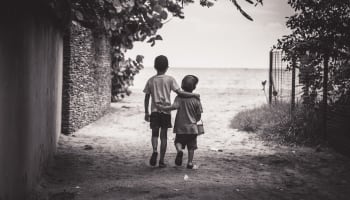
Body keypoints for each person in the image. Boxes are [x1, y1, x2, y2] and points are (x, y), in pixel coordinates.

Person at [144, 55, 199, 168]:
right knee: (163, 136)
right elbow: (180, 93)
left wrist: (146, 112)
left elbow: (147, 98)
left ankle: (155, 151)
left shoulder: (150, 80)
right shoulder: (170, 79)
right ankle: (162, 161)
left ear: (155, 67)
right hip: (166, 113)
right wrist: (194, 94)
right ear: (167, 67)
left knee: (154, 134)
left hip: (154, 111)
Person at [157, 75, 202, 169]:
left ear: (182, 86)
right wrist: (196, 119)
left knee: (178, 142)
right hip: (192, 128)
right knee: (191, 146)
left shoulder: (179, 97)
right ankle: (189, 163)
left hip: (180, 127)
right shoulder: (196, 99)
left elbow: (173, 107)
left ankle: (179, 151)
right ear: (194, 87)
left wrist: (162, 107)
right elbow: (199, 114)